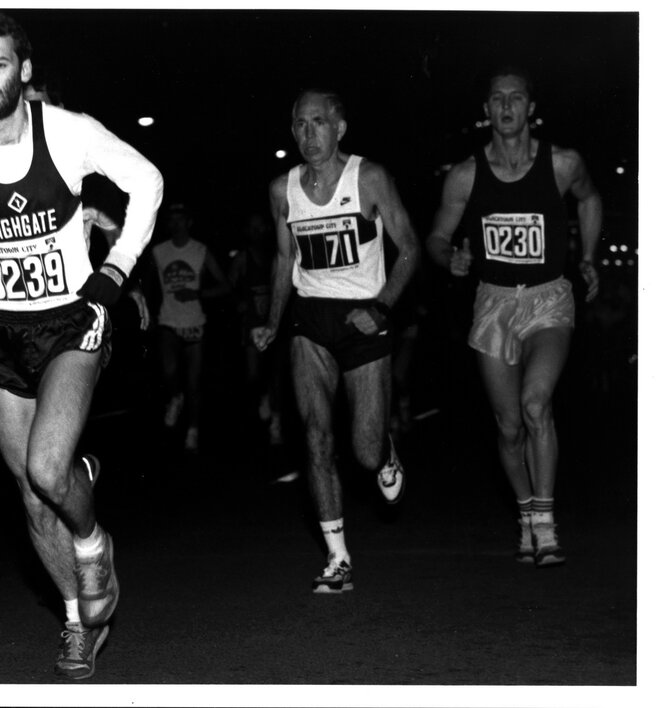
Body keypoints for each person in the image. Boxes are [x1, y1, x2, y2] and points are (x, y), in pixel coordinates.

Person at [0, 12, 162, 680]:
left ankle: (94, 540)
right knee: (30, 491)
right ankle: (77, 621)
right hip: (0, 335)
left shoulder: (68, 134)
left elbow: (147, 181)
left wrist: (116, 268)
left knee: (47, 467)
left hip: (71, 323)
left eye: (1, 63)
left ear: (25, 69)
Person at [426, 66, 601, 567]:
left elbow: (590, 199)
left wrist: (588, 256)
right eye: (497, 99)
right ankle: (525, 514)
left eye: (516, 98)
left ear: (531, 108)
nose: (506, 107)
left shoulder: (563, 163)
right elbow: (438, 238)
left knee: (535, 404)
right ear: (486, 111)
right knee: (507, 427)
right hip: (494, 303)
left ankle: (545, 523)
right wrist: (448, 258)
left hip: (548, 299)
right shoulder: (465, 174)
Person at [252, 89, 418, 594]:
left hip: (365, 315)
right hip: (310, 319)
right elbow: (285, 261)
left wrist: (382, 307)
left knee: (364, 453)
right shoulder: (283, 189)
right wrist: (273, 321)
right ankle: (338, 556)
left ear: (340, 128)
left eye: (318, 123)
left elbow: (409, 249)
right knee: (317, 435)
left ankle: (385, 451)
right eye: (300, 124)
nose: (309, 134)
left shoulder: (369, 177)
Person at [149, 203, 230, 452]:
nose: (175, 224)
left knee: (194, 382)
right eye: (171, 219)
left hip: (195, 322)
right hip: (168, 321)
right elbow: (150, 287)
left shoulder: (200, 251)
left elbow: (225, 286)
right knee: (169, 374)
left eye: (180, 219)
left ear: (189, 222)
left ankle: (193, 431)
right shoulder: (159, 252)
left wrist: (197, 292)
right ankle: (175, 398)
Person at [229, 211, 286, 448]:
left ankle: (276, 423)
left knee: (277, 375)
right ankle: (262, 398)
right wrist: (238, 302)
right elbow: (228, 285)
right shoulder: (242, 258)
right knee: (254, 375)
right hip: (252, 323)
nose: (256, 232)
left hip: (276, 321)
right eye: (251, 228)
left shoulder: (279, 255)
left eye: (260, 227)